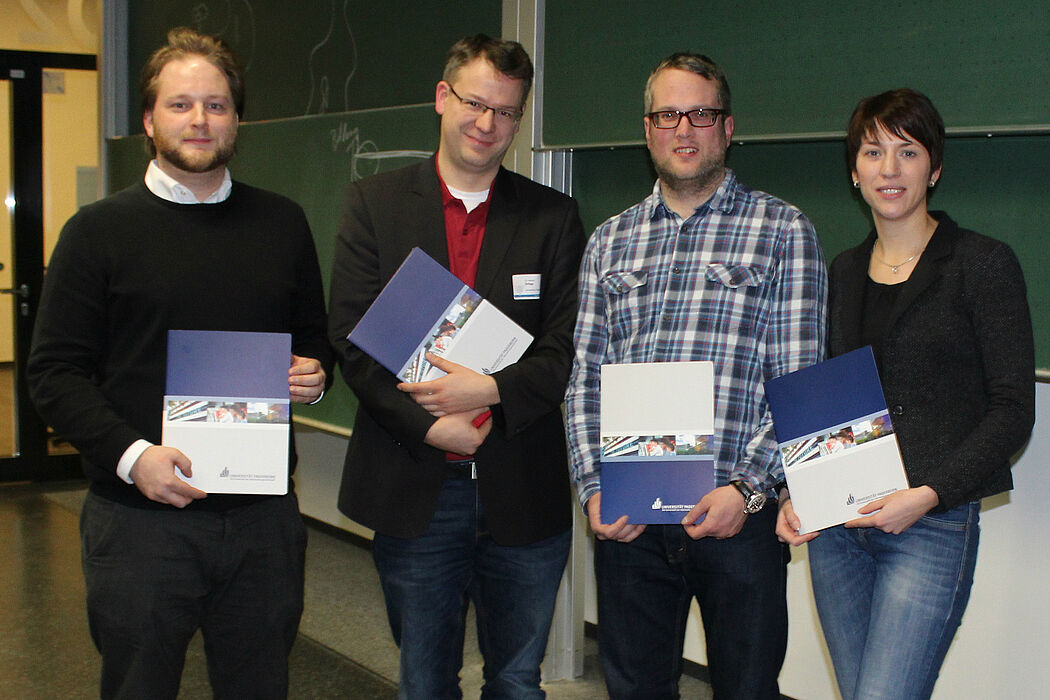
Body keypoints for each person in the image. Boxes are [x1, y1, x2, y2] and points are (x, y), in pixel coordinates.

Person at [26, 28, 332, 699]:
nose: (200, 120)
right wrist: (136, 458)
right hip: (140, 520)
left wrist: (314, 376)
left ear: (237, 119)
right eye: (181, 104)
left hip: (261, 520)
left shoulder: (282, 223)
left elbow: (314, 341)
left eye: (217, 106)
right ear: (148, 119)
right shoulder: (96, 232)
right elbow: (53, 375)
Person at [328, 34, 585, 699]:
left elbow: (565, 347)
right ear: (443, 98)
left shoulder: (551, 217)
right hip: (415, 488)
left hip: (522, 489)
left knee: (517, 680)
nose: (487, 124)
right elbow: (354, 342)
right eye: (475, 103)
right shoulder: (374, 204)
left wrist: (493, 389)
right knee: (425, 681)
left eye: (505, 112)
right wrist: (427, 428)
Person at [564, 53, 827, 699]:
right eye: (667, 114)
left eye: (701, 113)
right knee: (635, 689)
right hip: (630, 514)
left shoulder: (783, 229)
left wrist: (749, 489)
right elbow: (583, 381)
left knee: (745, 688)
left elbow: (801, 379)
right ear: (647, 128)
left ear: (727, 126)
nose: (684, 129)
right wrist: (594, 486)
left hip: (738, 515)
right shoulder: (609, 242)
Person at [776, 88, 1035, 700]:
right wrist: (797, 489)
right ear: (854, 171)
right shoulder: (840, 270)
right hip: (839, 531)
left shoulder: (982, 264)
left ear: (935, 168)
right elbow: (827, 400)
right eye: (873, 152)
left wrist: (928, 495)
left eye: (907, 151)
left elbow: (1012, 410)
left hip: (932, 525)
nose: (889, 170)